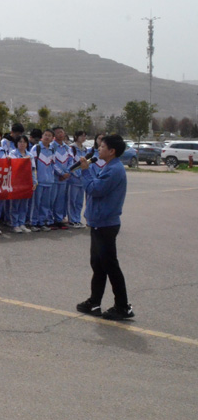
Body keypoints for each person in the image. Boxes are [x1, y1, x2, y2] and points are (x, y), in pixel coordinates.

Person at [75, 134, 133, 320]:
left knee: (110, 266)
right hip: (98, 222)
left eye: (102, 147)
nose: (98, 149)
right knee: (98, 265)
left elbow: (95, 189)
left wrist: (85, 171)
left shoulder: (114, 170)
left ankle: (123, 306)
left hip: (106, 224)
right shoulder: (109, 167)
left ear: (112, 151)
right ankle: (94, 302)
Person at [7, 135, 36, 233]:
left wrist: (34, 181)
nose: (22, 144)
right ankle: (14, 224)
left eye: (24, 142)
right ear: (16, 143)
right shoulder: (12, 153)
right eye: (20, 142)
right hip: (16, 182)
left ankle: (22, 223)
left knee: (24, 204)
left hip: (27, 182)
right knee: (15, 204)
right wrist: (24, 160)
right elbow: (15, 164)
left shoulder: (30, 155)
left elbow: (33, 170)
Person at [31, 129, 57, 230]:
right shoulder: (36, 148)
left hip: (49, 181)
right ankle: (34, 222)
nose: (47, 137)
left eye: (49, 135)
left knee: (45, 204)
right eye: (45, 135)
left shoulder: (52, 149)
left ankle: (42, 222)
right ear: (42, 136)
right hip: (38, 181)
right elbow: (32, 165)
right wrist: (34, 179)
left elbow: (53, 165)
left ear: (52, 138)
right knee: (36, 203)